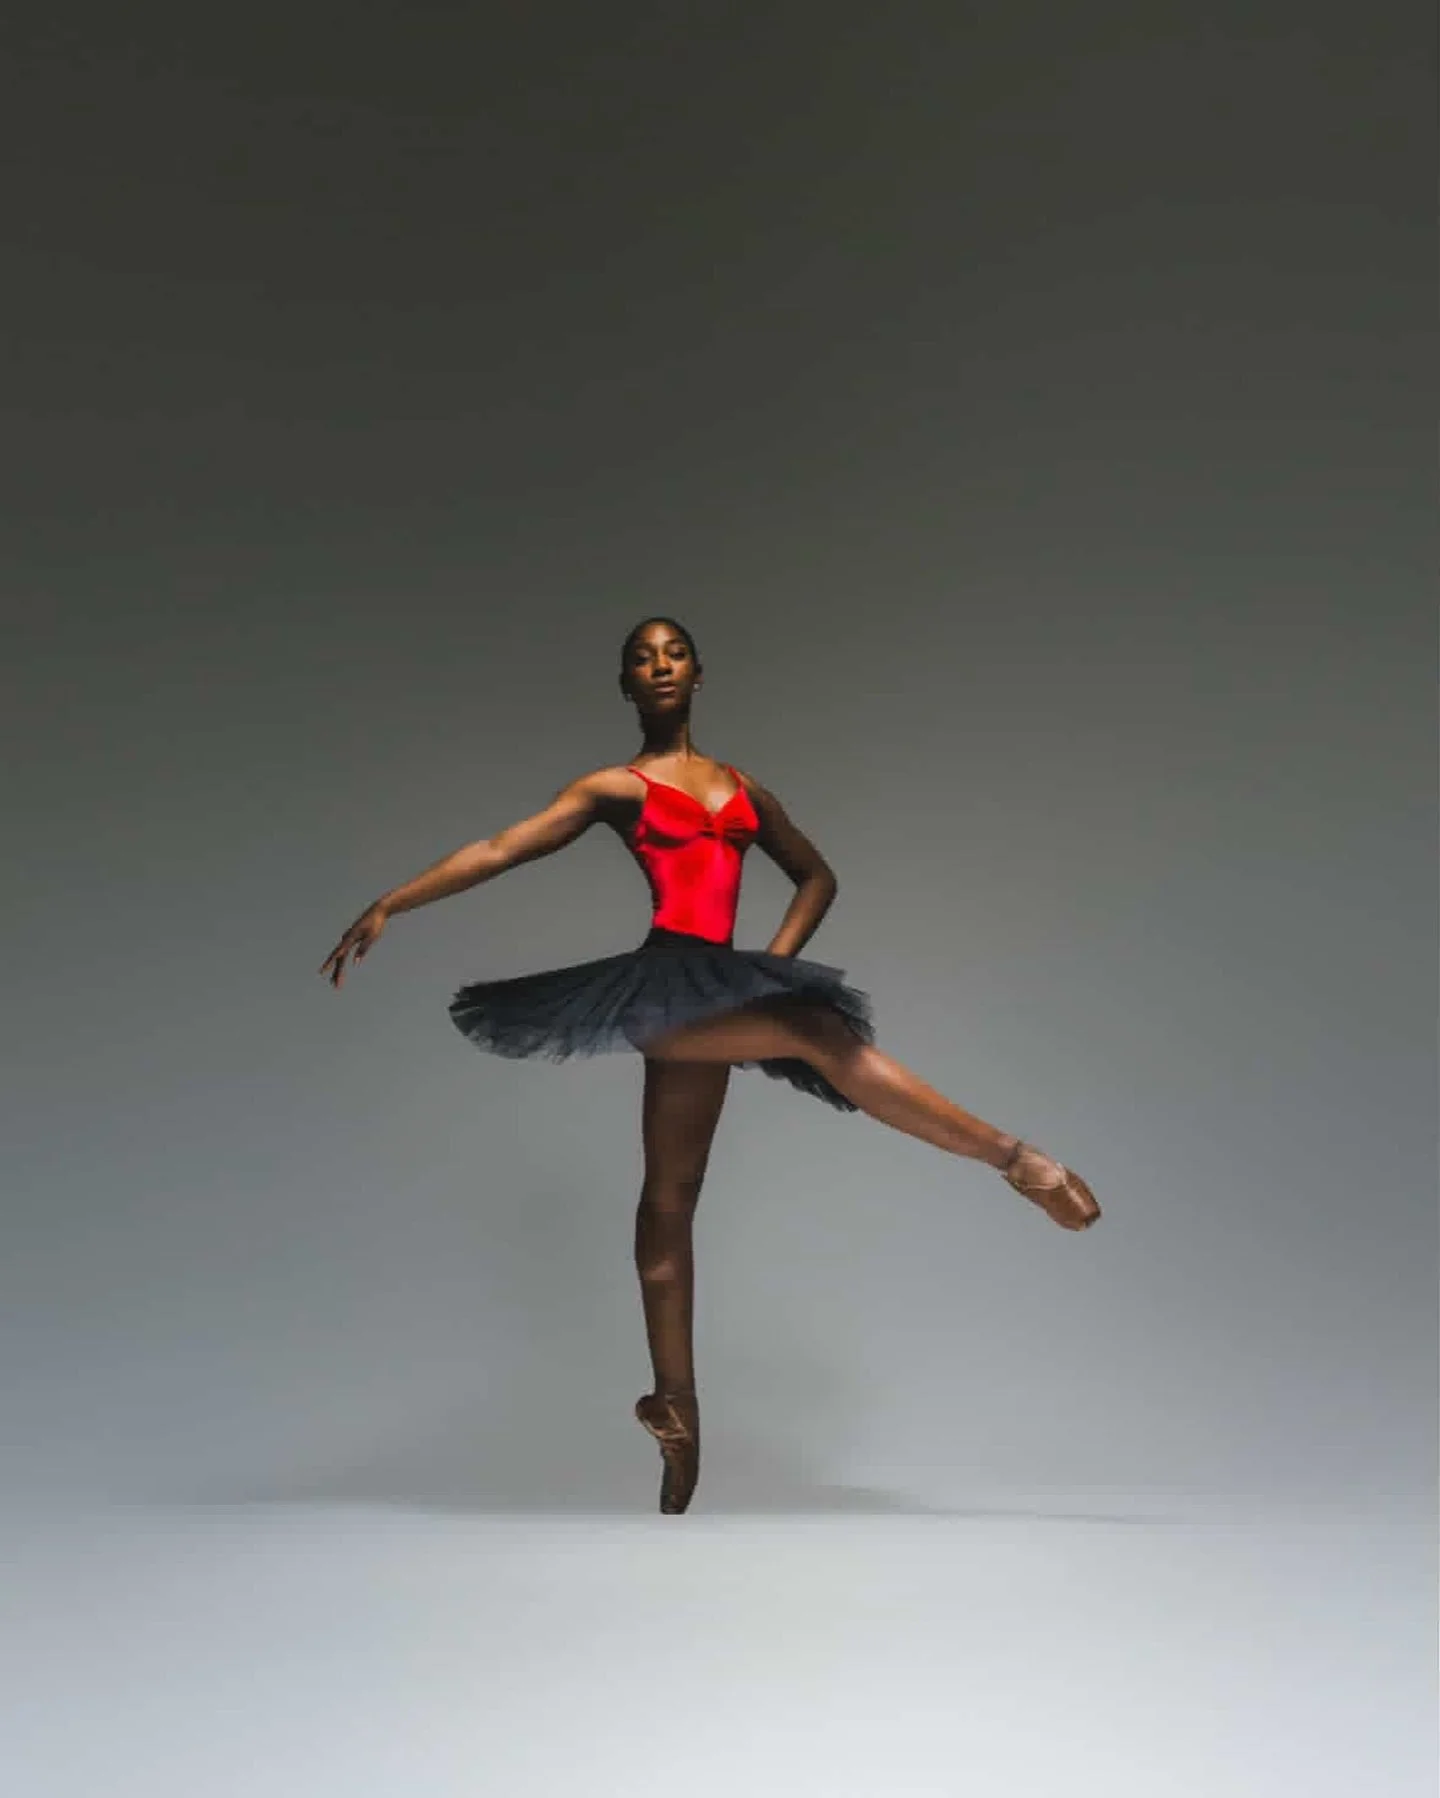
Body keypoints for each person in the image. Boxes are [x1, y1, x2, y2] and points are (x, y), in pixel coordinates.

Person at [319, 616, 1101, 1514]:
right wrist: (393, 902)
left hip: (719, 984)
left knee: (669, 1200)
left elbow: (817, 875)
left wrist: (764, 966)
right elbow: (502, 847)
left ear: (698, 672)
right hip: (657, 986)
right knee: (818, 1035)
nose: (659, 666)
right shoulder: (614, 787)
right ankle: (1019, 1162)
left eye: (673, 653)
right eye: (641, 659)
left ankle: (675, 1408)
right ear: (626, 685)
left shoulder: (742, 788)